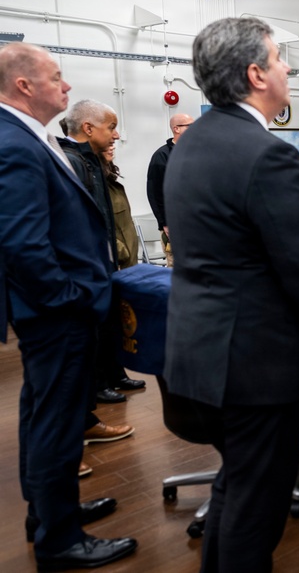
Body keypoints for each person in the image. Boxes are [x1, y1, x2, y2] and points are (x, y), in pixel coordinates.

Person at [163, 17, 299, 573]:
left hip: (196, 352)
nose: (288, 68)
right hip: (253, 368)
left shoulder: (191, 143)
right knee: (256, 512)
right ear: (257, 74)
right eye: (280, 59)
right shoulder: (269, 153)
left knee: (235, 492)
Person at [0, 42, 137, 569]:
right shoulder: (13, 142)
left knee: (43, 413)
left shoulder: (31, 136)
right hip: (56, 313)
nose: (67, 86)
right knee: (56, 420)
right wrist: (71, 299)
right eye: (57, 76)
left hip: (54, 310)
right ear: (24, 86)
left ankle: (51, 513)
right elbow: (21, 244)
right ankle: (60, 538)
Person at [60, 101, 145, 406]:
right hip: (90, 265)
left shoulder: (92, 161)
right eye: (111, 127)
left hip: (106, 261)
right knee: (95, 328)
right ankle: (99, 383)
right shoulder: (73, 161)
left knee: (110, 323)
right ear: (88, 128)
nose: (116, 135)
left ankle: (114, 374)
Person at [146, 113, 192, 267]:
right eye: (189, 126)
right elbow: (155, 192)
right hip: (175, 223)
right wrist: (165, 223)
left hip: (197, 222)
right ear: (176, 129)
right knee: (178, 270)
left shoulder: (196, 152)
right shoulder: (162, 156)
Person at [103, 144, 140, 268]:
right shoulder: (97, 185)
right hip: (118, 261)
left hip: (129, 261)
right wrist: (120, 251)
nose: (112, 147)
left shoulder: (112, 184)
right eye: (107, 144)